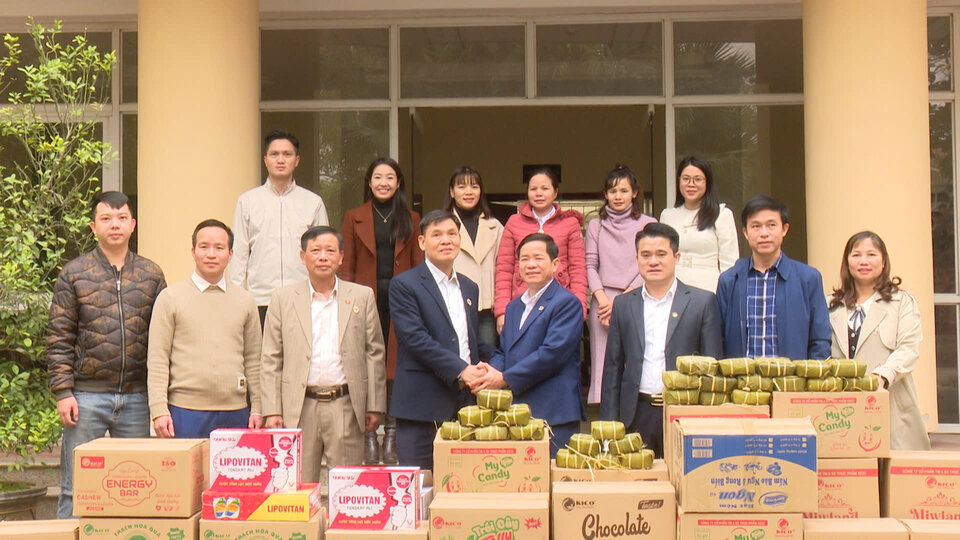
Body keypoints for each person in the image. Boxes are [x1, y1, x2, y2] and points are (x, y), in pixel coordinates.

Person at [47, 191, 166, 519]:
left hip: (137, 398)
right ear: (92, 226)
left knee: (137, 488)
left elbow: (163, 340)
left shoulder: (152, 275)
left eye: (122, 218)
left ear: (133, 225)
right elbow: (59, 337)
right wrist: (63, 392)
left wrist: (159, 399)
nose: (115, 225)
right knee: (76, 487)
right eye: (106, 218)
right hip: (86, 398)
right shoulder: (74, 273)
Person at [260, 226, 387, 477]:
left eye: (330, 251)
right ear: (302, 256)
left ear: (341, 257)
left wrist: (375, 404)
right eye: (315, 250)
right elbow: (271, 357)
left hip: (345, 405)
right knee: (297, 487)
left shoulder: (362, 296)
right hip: (298, 407)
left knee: (347, 486)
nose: (322, 257)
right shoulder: (283, 299)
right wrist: (272, 409)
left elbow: (375, 353)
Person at [599, 223, 723, 457]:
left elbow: (712, 367)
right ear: (636, 258)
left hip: (683, 413)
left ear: (676, 257)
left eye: (661, 254)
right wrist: (609, 425)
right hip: (635, 413)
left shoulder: (701, 302)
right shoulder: (624, 305)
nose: (653, 261)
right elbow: (613, 368)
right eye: (645, 255)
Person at [388, 210, 494, 470]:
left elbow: (470, 341)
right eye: (437, 235)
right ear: (422, 242)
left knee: (464, 487)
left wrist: (498, 367)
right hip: (420, 406)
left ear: (459, 240)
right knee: (419, 489)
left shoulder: (470, 287)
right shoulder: (404, 285)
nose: (446, 240)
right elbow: (415, 339)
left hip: (464, 405)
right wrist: (462, 369)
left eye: (451, 234)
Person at [470, 233, 586, 457]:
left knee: (553, 483)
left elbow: (551, 354)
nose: (530, 264)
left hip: (554, 413)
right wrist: (491, 371)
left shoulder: (567, 303)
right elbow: (504, 350)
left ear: (555, 264)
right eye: (524, 259)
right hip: (518, 414)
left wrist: (503, 378)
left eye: (538, 258)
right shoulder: (514, 307)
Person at [341, 157, 423, 464]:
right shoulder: (354, 216)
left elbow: (418, 263)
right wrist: (344, 301)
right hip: (364, 300)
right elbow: (346, 263)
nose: (384, 183)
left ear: (399, 182)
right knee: (365, 365)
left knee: (396, 367)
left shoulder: (412, 218)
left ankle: (392, 433)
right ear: (369, 182)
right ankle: (368, 435)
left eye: (390, 177)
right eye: (378, 177)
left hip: (403, 300)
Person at [148, 220, 263, 439]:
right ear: (193, 252)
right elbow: (158, 358)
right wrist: (159, 410)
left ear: (230, 254)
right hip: (184, 412)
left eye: (219, 248)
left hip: (236, 411)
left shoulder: (246, 301)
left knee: (234, 475)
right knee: (186, 475)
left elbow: (254, 360)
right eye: (204, 247)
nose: (211, 254)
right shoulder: (170, 298)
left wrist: (257, 406)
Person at [828, 231, 931, 450]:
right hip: (841, 412)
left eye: (871, 254)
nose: (863, 261)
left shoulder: (901, 302)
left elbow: (908, 348)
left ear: (883, 262)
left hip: (890, 405)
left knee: (894, 477)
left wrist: (882, 376)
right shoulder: (830, 305)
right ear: (847, 262)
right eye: (856, 255)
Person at [230, 130, 329, 327]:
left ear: (297, 160)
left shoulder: (313, 202)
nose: (281, 160)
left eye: (287, 154)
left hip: (303, 298)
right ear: (266, 160)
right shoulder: (248, 201)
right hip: (259, 299)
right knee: (261, 357)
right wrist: (236, 299)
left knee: (302, 357)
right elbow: (239, 254)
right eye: (274, 154)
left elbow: (323, 252)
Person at [716, 195, 831, 360]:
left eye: (771, 225)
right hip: (743, 383)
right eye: (756, 226)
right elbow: (718, 339)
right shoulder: (730, 280)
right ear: (745, 233)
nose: (764, 233)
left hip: (791, 383)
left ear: (784, 229)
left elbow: (820, 339)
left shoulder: (808, 278)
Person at [584, 164, 657, 404]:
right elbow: (590, 265)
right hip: (602, 301)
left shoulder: (648, 224)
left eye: (624, 191)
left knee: (634, 355)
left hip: (636, 297)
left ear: (634, 193)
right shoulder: (596, 225)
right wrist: (603, 298)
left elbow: (647, 264)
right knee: (604, 360)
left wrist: (622, 298)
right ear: (605, 194)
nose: (618, 196)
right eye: (613, 191)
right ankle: (605, 414)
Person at [494, 167, 587, 333]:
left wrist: (579, 308)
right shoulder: (514, 222)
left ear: (555, 192)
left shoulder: (570, 224)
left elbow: (578, 269)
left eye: (545, 189)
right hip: (522, 302)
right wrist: (502, 311)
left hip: (560, 303)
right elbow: (504, 269)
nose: (538, 193)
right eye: (533, 189)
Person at [444, 166, 504, 347]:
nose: (468, 192)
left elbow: (504, 268)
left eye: (474, 186)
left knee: (486, 363)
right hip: (453, 306)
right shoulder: (441, 226)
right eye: (461, 186)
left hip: (486, 308)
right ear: (452, 192)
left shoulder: (495, 226)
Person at [659, 156, 739, 293]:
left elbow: (730, 263)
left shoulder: (721, 214)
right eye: (685, 179)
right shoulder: (667, 215)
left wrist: (726, 293)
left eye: (698, 179)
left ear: (707, 182)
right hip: (672, 288)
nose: (691, 184)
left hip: (709, 288)